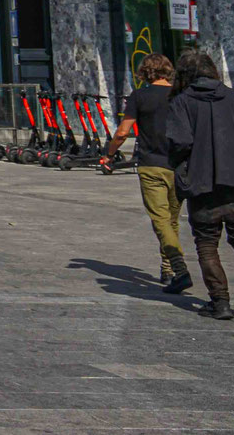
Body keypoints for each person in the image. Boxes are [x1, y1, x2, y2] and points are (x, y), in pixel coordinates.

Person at [165, 49, 234, 320]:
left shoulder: (182, 102)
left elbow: (179, 142)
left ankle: (220, 301)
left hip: (202, 182)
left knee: (206, 242)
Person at [100, 53, 192, 293]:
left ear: (145, 73)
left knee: (160, 220)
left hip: (152, 165)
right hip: (179, 165)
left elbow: (123, 132)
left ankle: (179, 267)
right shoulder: (182, 96)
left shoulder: (139, 96)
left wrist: (109, 154)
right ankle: (167, 267)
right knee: (171, 220)